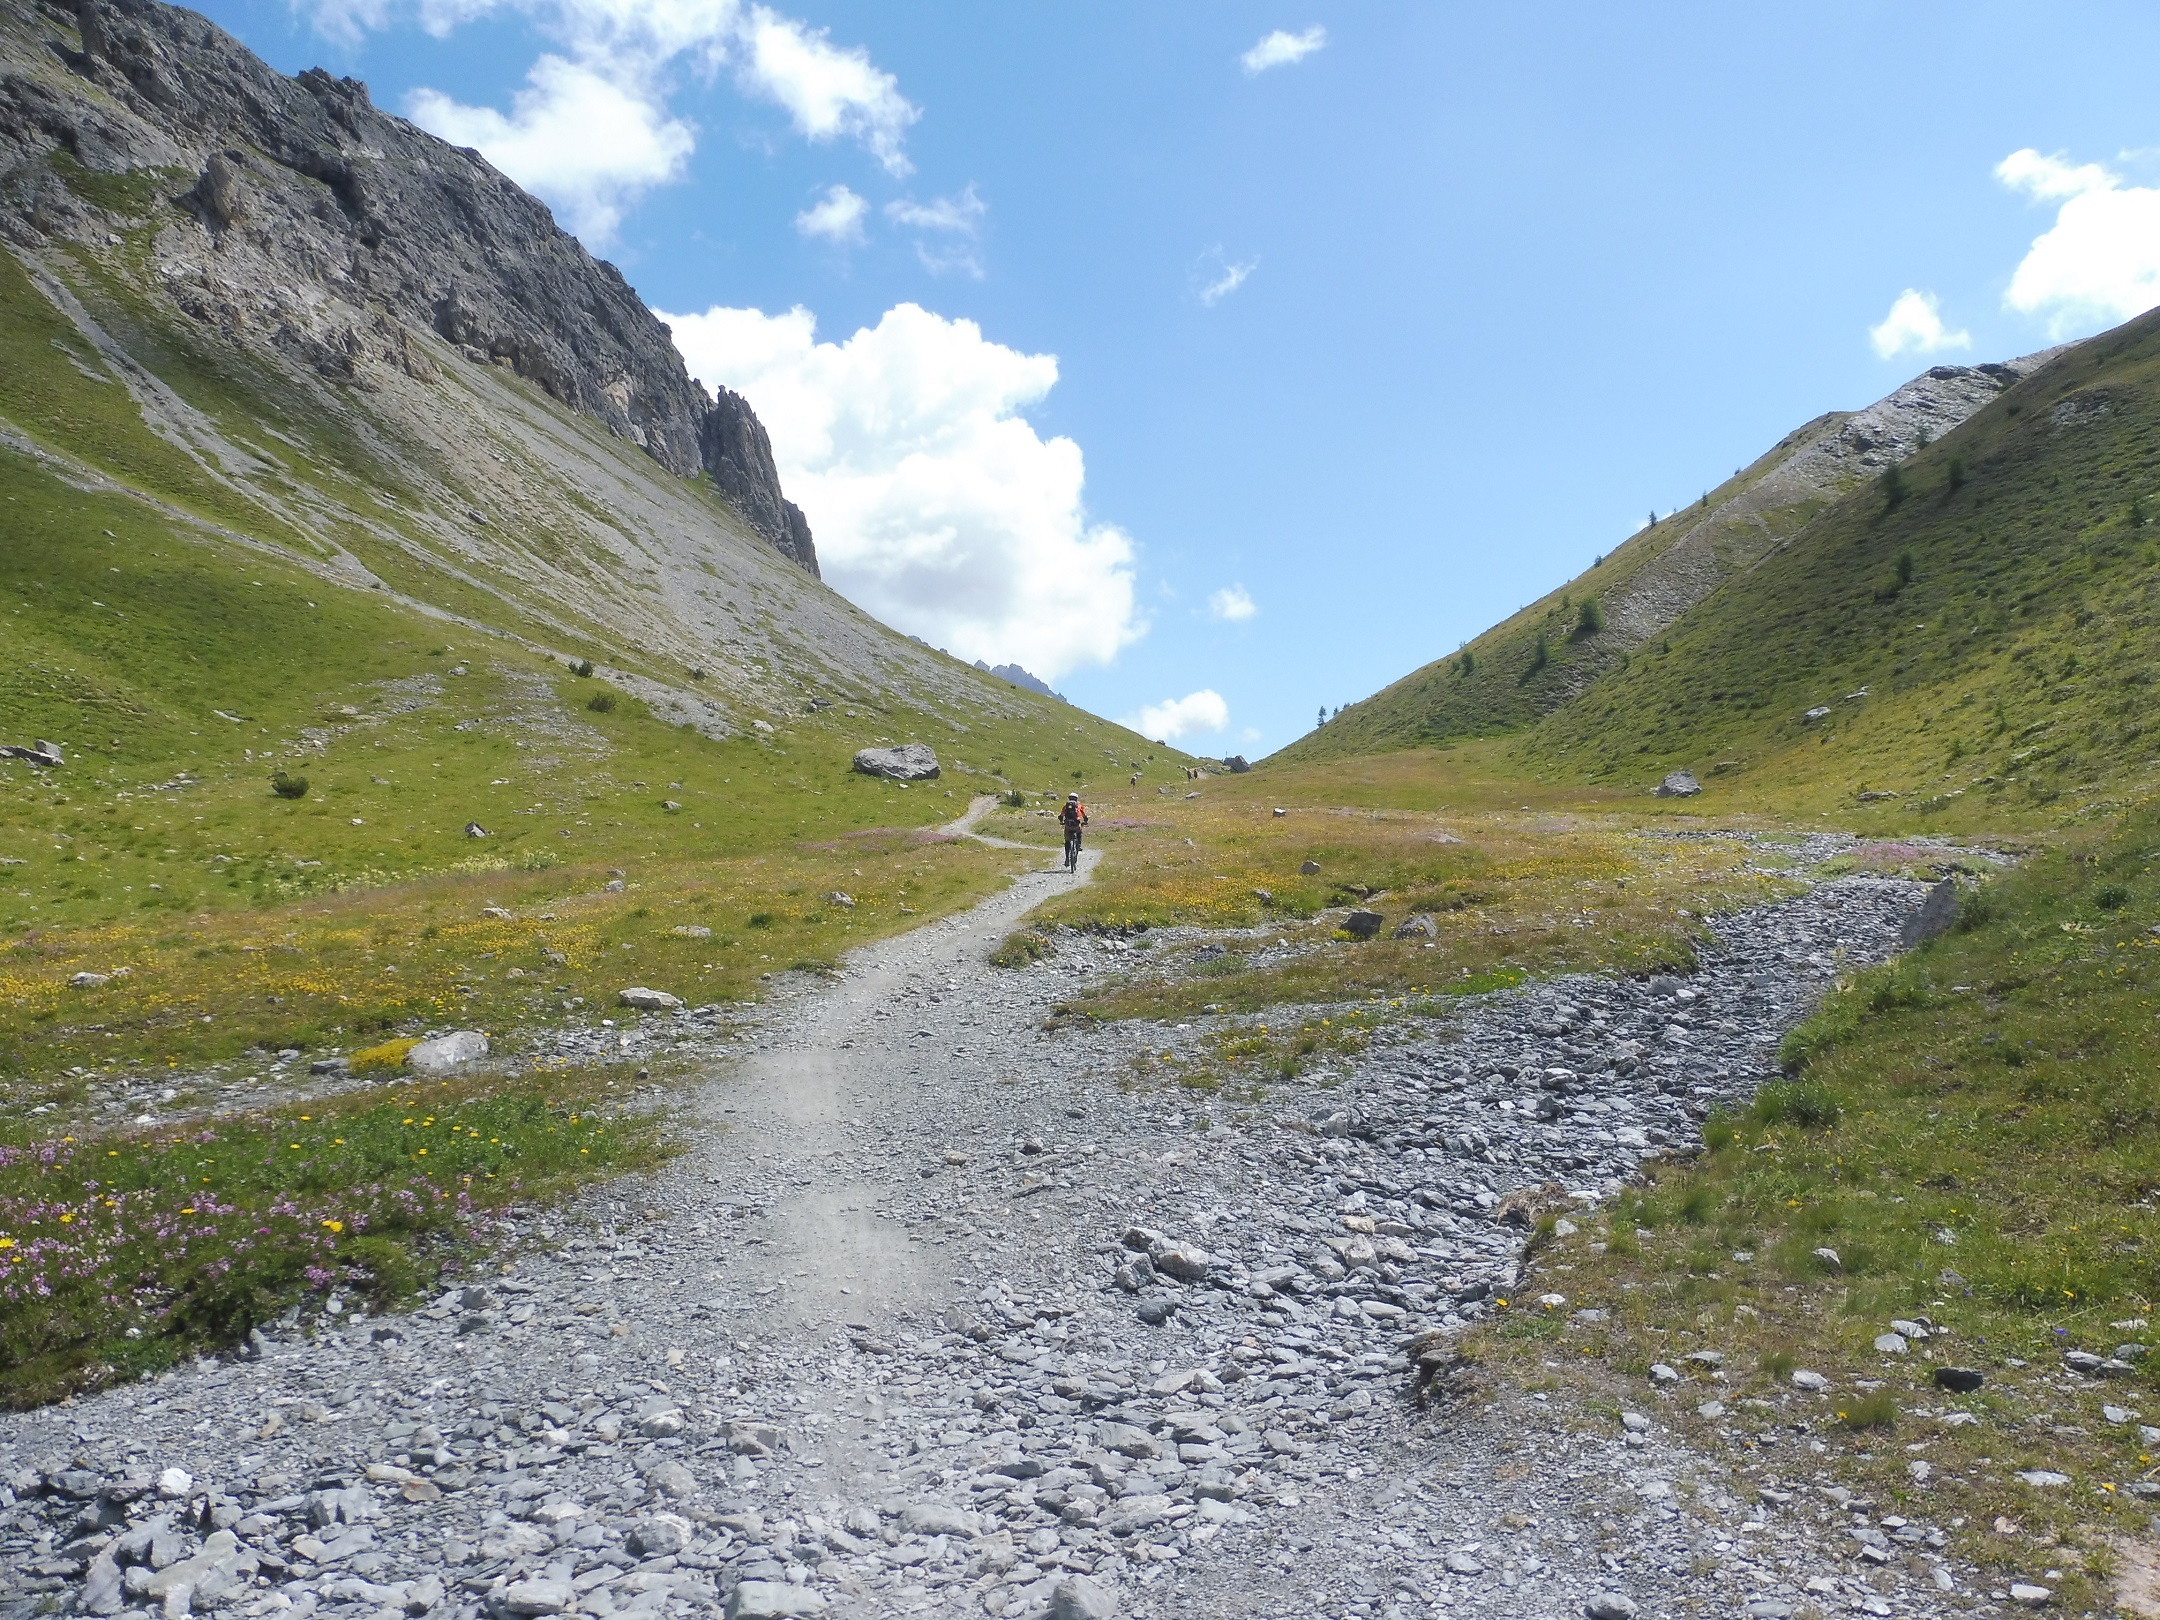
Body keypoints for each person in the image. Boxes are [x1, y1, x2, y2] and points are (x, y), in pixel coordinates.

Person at [1059, 791, 1088, 871]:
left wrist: (1061, 821)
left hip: (1068, 825)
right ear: (1076, 798)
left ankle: (1067, 858)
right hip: (1076, 825)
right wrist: (1085, 821)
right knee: (1079, 831)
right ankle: (1078, 845)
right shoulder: (1079, 806)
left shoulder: (1066, 806)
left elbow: (1061, 816)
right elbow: (1084, 816)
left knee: (1067, 841)